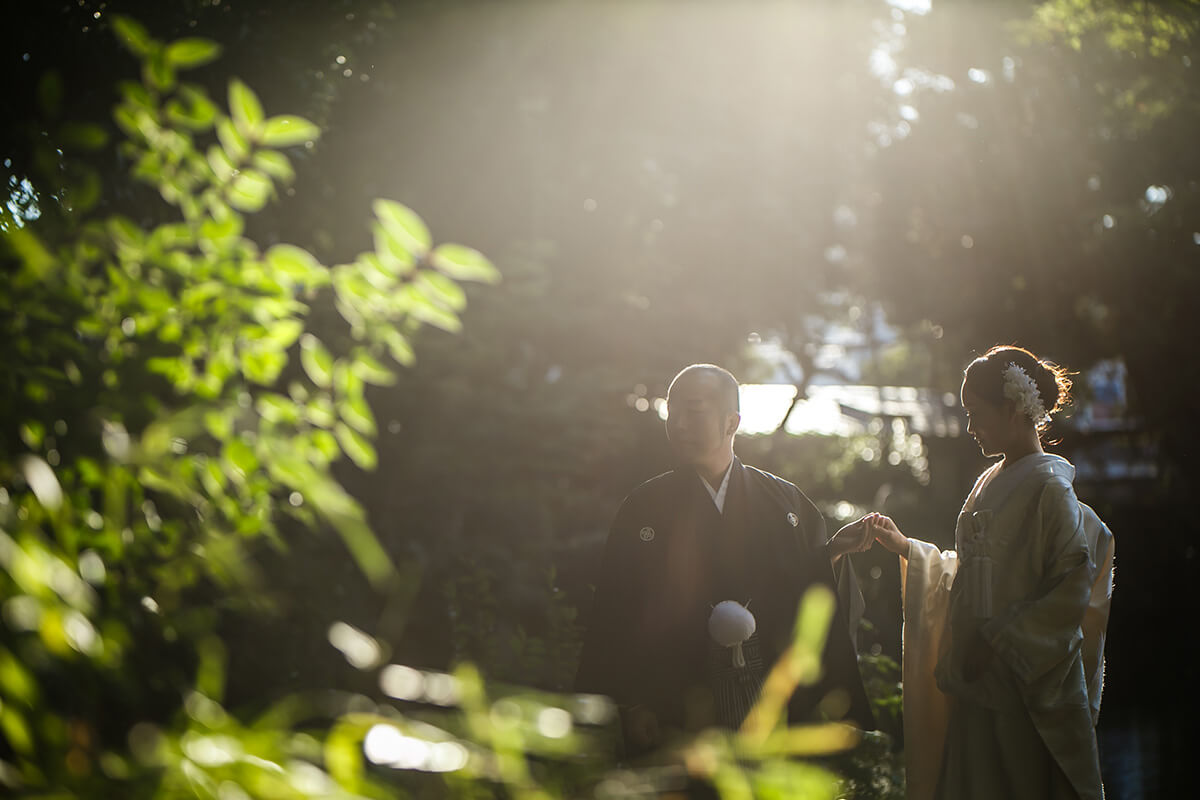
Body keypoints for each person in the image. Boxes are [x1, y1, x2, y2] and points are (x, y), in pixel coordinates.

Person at [575, 364, 875, 756]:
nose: (678, 425)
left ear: (731, 422)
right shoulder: (643, 508)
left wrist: (829, 554)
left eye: (693, 412)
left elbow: (808, 595)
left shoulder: (787, 504)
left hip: (769, 700)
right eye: (672, 412)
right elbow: (617, 610)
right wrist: (632, 704)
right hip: (675, 702)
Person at [868, 346, 1114, 800]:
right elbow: (970, 577)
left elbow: (1070, 589)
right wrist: (909, 550)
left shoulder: (1050, 489)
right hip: (977, 679)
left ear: (1012, 408)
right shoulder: (990, 480)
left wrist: (997, 640)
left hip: (1019, 685)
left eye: (976, 414)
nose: (969, 428)